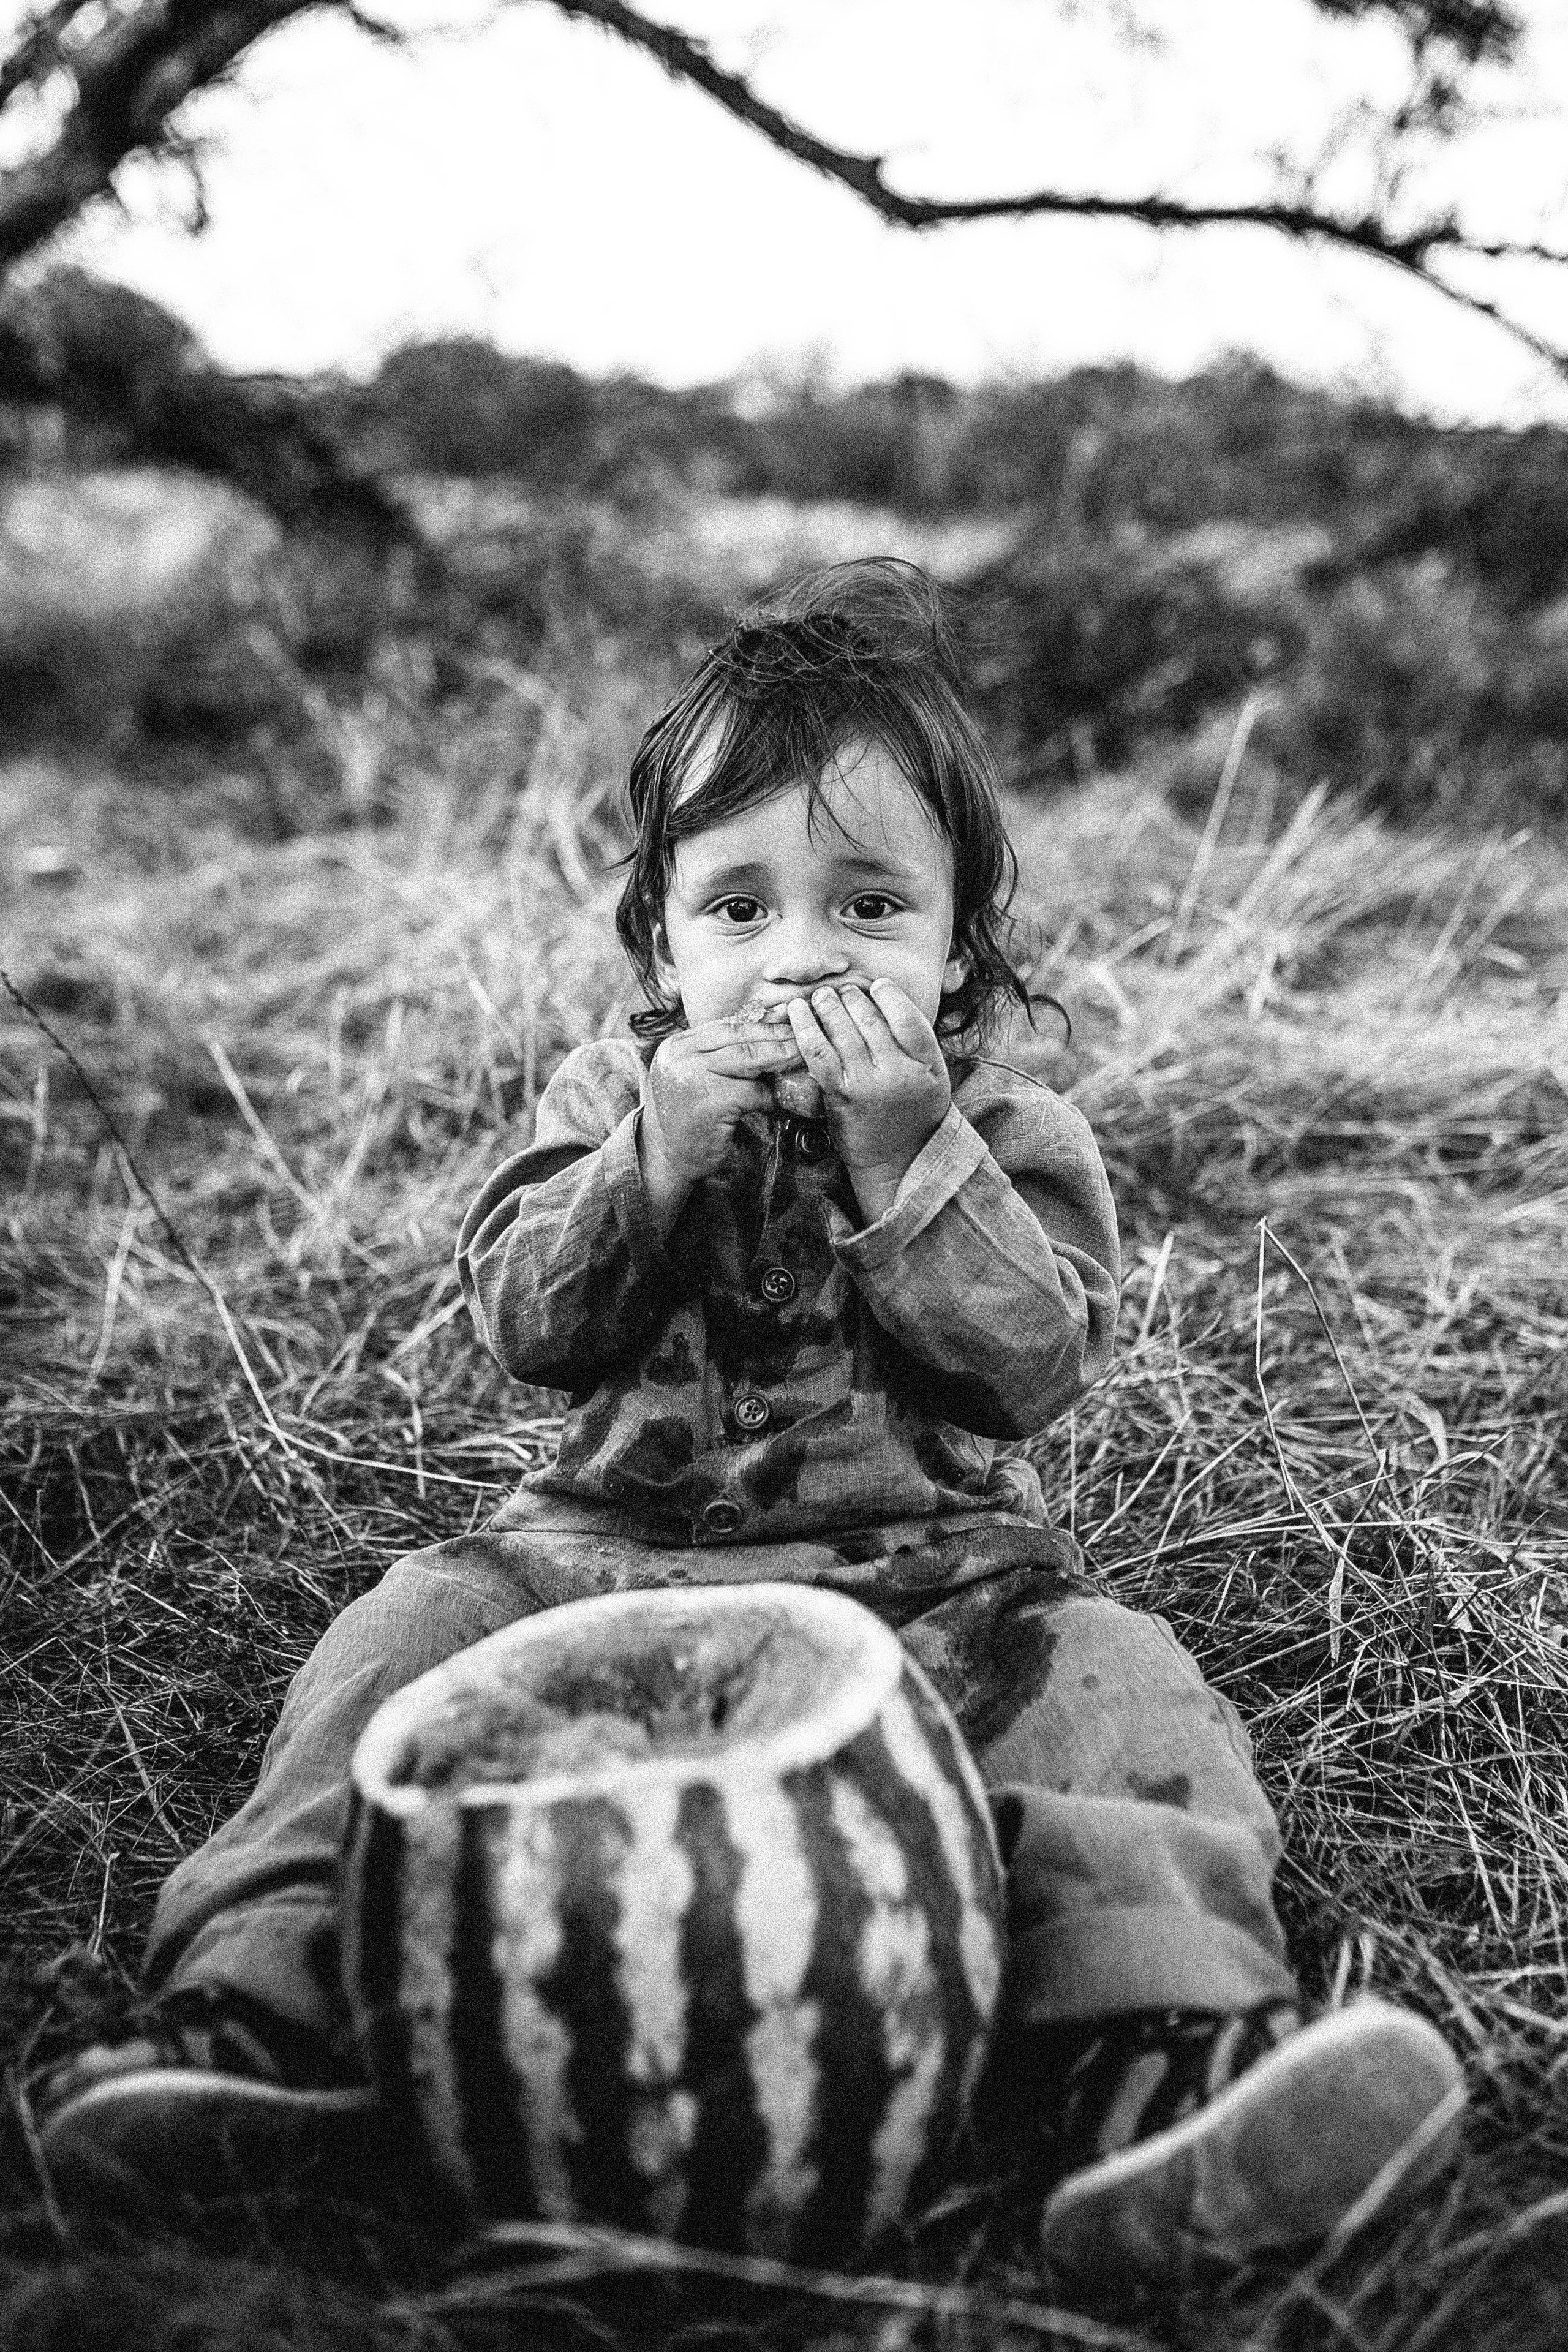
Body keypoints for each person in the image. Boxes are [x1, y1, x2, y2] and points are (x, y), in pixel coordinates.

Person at [36, 560, 1464, 2291]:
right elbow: (526, 1325)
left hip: (933, 1584)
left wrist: (908, 1157)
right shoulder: (604, 1098)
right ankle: (262, 2012)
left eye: (868, 909)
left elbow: (1031, 1364)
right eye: (738, 909)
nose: (799, 956)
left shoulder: (1006, 1124)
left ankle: (1168, 2056)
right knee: (395, 1639)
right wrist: (652, 1161)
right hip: (596, 1568)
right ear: (657, 943)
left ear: (955, 960)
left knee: (1112, 1680)